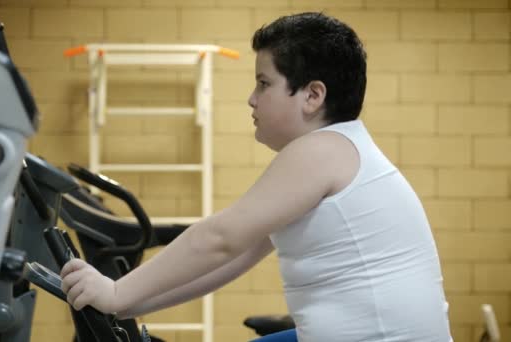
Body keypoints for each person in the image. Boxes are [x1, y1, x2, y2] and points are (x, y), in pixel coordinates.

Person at [60, 12, 453, 342]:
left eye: (264, 84)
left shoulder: (321, 150)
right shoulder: (337, 150)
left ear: (313, 96)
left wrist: (114, 290)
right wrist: (127, 304)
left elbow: (221, 239)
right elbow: (233, 258)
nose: (251, 98)